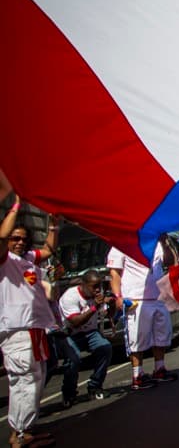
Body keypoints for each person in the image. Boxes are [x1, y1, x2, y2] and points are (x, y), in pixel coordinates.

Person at [0, 173, 56, 447]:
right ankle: (19, 436)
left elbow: (47, 249)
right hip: (17, 329)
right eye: (15, 238)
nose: (20, 242)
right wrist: (17, 203)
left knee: (36, 378)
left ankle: (26, 430)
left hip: (35, 327)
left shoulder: (28, 259)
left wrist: (54, 224)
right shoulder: (4, 259)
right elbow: (1, 235)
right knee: (23, 381)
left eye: (23, 238)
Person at [107, 236, 179, 392]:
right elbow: (114, 273)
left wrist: (165, 242)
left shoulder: (157, 243)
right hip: (135, 299)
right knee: (137, 338)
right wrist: (117, 296)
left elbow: (171, 262)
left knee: (161, 335)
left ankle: (159, 369)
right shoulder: (121, 244)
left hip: (158, 296)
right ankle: (137, 375)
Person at [58, 269, 113, 406]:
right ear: (83, 285)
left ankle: (94, 386)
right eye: (94, 286)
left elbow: (108, 315)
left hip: (90, 332)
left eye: (99, 286)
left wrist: (112, 304)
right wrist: (94, 307)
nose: (97, 290)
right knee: (73, 359)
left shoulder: (97, 296)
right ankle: (69, 393)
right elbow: (76, 322)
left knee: (105, 348)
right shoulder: (70, 297)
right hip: (70, 334)